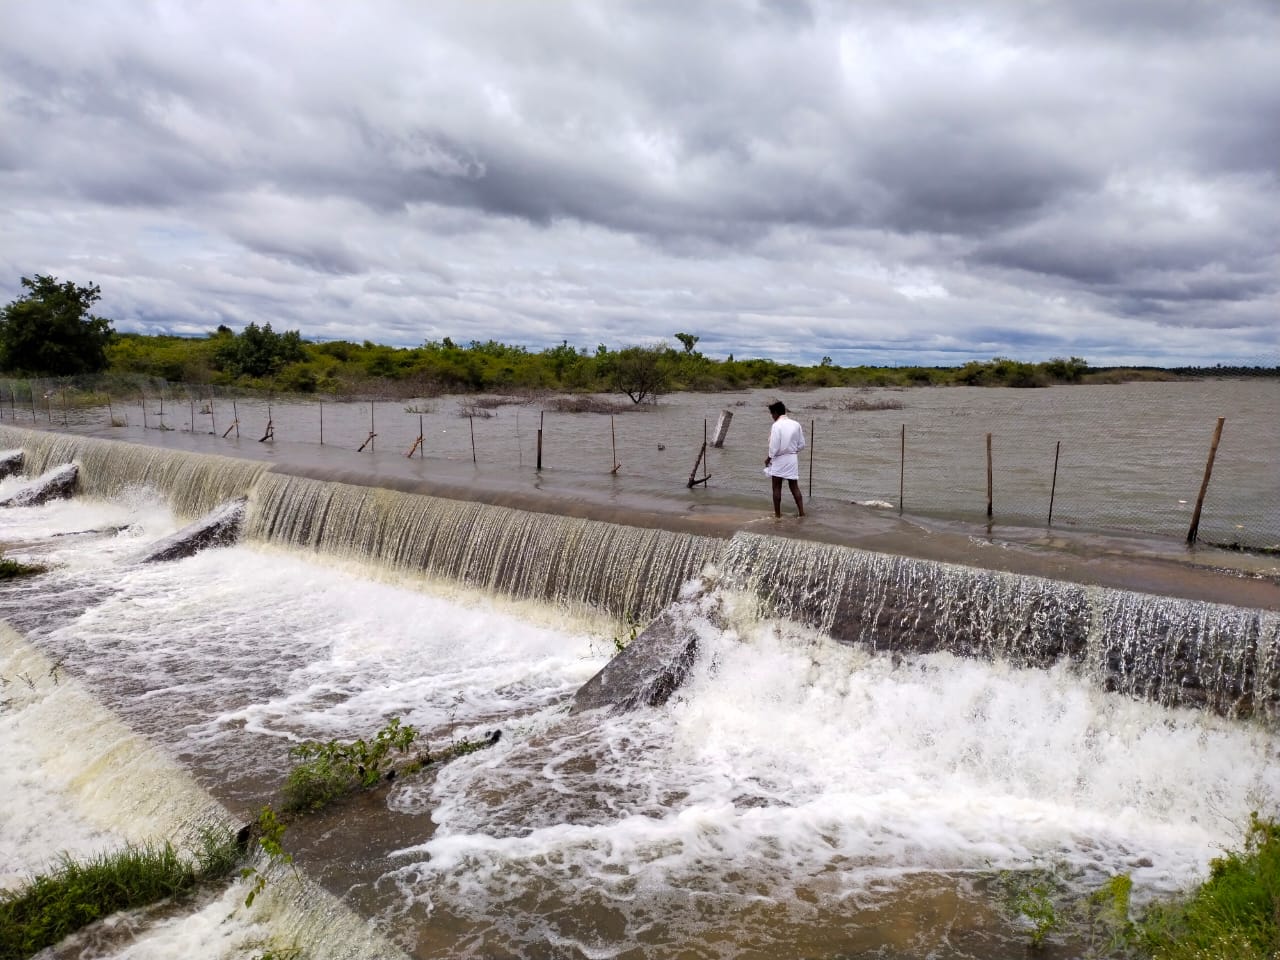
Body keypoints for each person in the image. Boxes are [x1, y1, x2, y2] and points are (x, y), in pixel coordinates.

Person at [764, 400, 805, 518]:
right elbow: (802, 445)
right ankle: (801, 513)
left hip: (779, 459)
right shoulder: (796, 424)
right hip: (792, 459)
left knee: (776, 487)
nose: (772, 417)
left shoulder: (776, 425)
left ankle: (777, 515)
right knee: (794, 486)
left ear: (776, 413)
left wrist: (768, 459)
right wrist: (792, 451)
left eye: (772, 414)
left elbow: (774, 447)